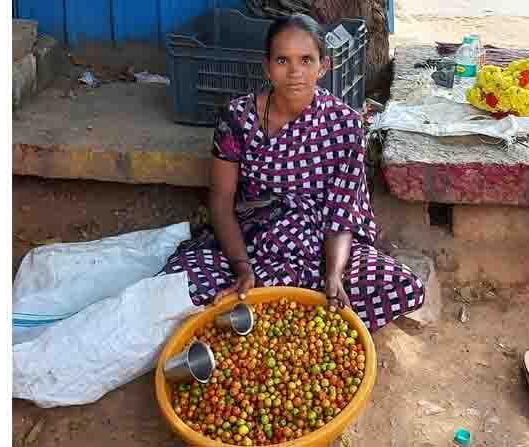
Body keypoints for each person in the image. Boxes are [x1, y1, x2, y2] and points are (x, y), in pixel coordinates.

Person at [159, 13, 425, 332]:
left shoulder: (345, 124)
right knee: (179, 289)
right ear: (266, 67)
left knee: (402, 287)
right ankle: (288, 320)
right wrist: (242, 267)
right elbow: (221, 200)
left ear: (323, 67)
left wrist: (333, 274)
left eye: (306, 60)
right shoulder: (237, 118)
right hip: (254, 237)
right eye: (283, 60)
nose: (295, 72)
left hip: (321, 240)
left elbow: (341, 214)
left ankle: (287, 325)